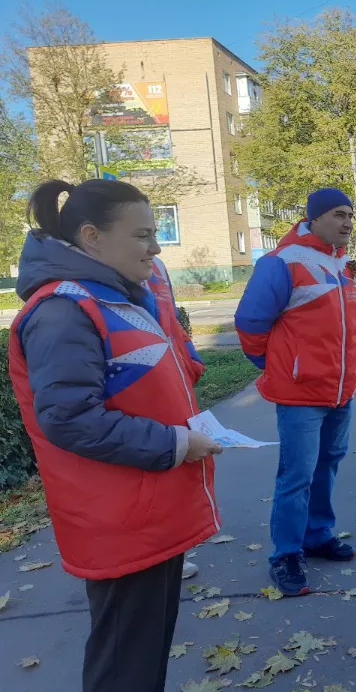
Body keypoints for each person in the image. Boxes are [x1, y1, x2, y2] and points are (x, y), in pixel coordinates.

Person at [7, 179, 223, 692]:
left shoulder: (113, 296)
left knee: (140, 655)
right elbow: (69, 417)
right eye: (143, 235)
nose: (155, 247)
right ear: (92, 237)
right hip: (121, 516)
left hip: (145, 508)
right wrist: (176, 443)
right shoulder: (64, 309)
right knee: (126, 664)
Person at [235, 188, 356, 596]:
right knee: (297, 475)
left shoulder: (344, 264)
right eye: (339, 215)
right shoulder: (283, 262)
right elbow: (250, 323)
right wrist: (279, 366)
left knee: (328, 465)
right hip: (301, 394)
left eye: (350, 216)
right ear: (315, 217)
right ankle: (287, 554)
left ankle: (317, 535)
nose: (347, 222)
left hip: (340, 390)